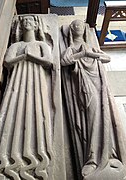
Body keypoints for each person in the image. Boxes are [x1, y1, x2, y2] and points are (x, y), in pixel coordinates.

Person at [60, 19, 126, 179]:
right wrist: (82, 54)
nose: (78, 27)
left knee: (104, 117)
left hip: (98, 82)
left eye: (80, 26)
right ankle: (93, 157)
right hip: (84, 87)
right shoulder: (71, 48)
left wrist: (91, 53)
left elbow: (106, 58)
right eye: (75, 25)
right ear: (71, 31)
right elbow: (64, 61)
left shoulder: (90, 46)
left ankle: (107, 154)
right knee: (91, 119)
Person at [0, 15, 54, 180]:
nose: (26, 23)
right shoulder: (16, 45)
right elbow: (7, 61)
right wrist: (23, 56)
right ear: (20, 26)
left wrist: (29, 57)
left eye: (29, 21)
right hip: (17, 80)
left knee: (36, 112)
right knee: (13, 110)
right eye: (24, 21)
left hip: (36, 80)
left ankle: (36, 158)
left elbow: (48, 61)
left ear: (35, 25)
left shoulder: (41, 44)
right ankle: (7, 158)